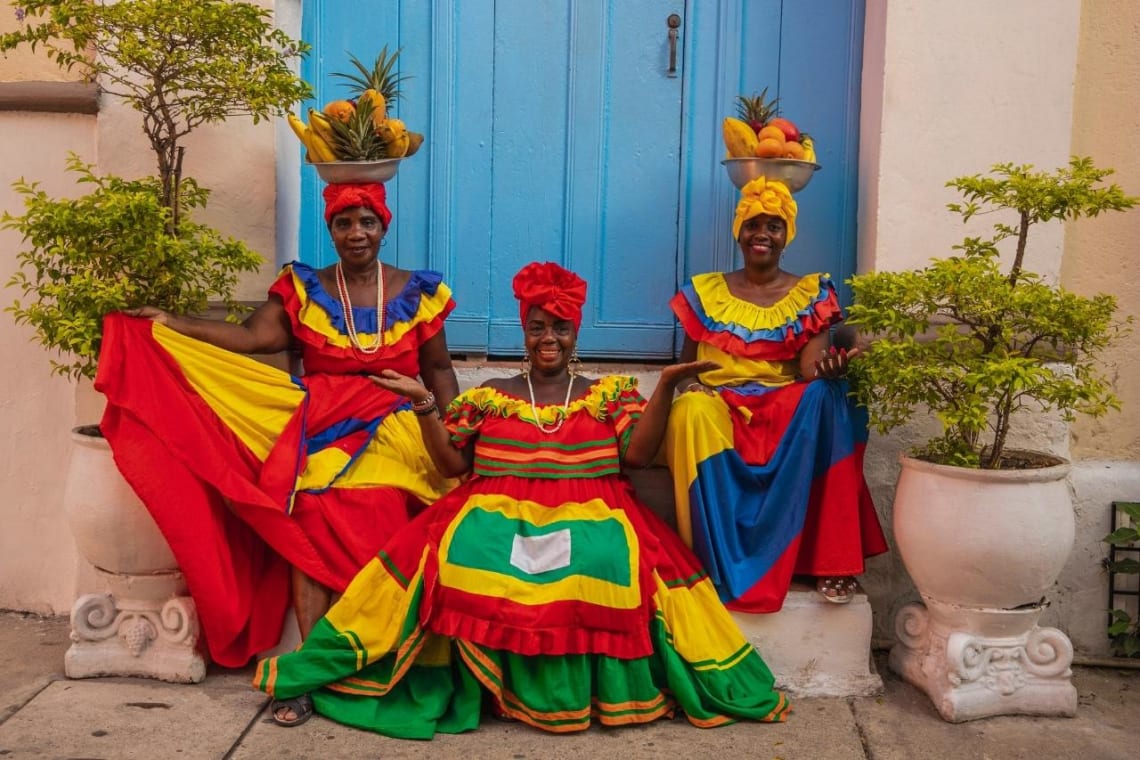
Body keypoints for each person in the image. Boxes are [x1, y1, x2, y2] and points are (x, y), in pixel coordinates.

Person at [252, 261, 791, 736]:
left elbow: (637, 458)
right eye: (537, 328)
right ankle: (478, 686)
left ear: (576, 331)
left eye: (559, 327)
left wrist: (667, 385)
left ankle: (566, 696)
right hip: (493, 507)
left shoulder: (609, 396)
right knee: (471, 555)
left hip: (594, 507)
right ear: (524, 332)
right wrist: (424, 406)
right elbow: (451, 466)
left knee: (601, 557)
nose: (547, 338)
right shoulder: (491, 398)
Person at [94, 182, 460, 683]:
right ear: (330, 231)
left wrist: (458, 428)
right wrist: (174, 323)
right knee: (307, 507)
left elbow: (438, 369)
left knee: (380, 501)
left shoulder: (417, 292)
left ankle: (371, 649)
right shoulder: (304, 288)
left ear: (383, 228)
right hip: (321, 424)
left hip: (398, 427)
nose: (356, 233)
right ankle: (312, 662)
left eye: (366, 222)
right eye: (343, 223)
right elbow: (251, 337)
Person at [663, 176, 888, 611]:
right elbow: (686, 366)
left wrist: (833, 368)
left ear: (787, 236)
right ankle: (714, 560)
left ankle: (832, 559)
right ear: (739, 232)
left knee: (828, 395)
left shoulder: (809, 293)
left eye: (774, 226)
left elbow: (809, 370)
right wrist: (692, 387)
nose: (762, 234)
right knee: (690, 407)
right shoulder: (705, 291)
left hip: (780, 403)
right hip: (719, 406)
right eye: (753, 225)